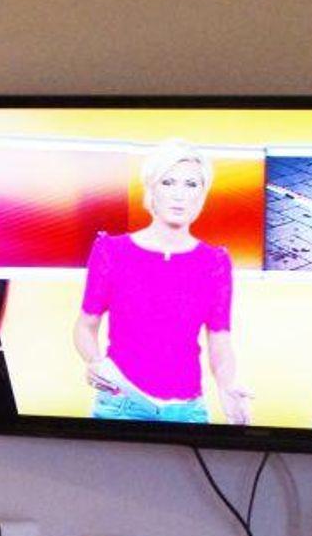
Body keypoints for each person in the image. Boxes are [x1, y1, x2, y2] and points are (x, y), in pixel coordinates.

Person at [73, 140, 251, 424]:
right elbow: (85, 325)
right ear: (151, 189)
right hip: (121, 406)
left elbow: (219, 341)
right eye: (168, 182)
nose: (179, 195)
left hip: (188, 412)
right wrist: (95, 363)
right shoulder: (112, 251)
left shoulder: (214, 262)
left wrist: (227, 386)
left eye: (191, 184)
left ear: (202, 195)